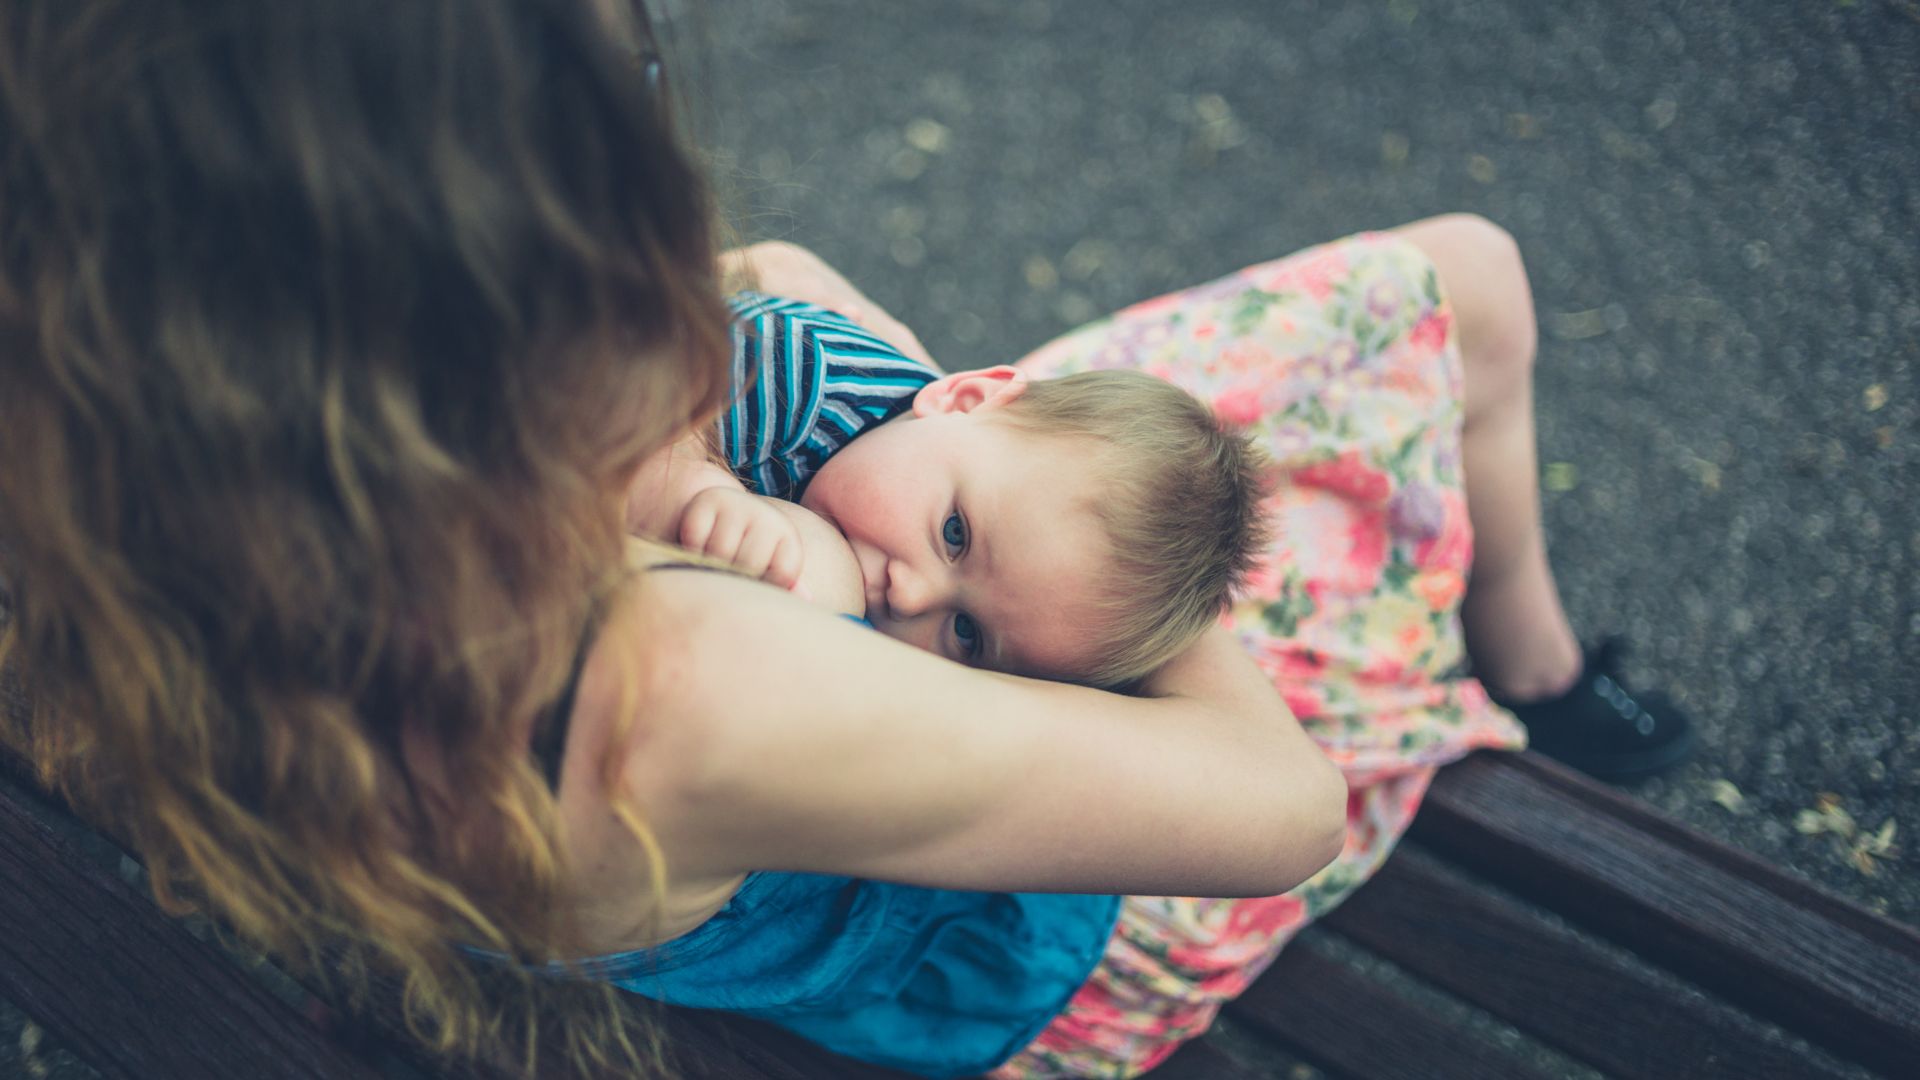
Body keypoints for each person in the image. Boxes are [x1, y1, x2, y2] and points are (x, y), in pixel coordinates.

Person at [0, 4, 1692, 1080]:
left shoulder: (157, 527)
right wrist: (1112, 587)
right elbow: (1277, 811)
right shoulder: (692, 676)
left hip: (942, 626)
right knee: (1456, 280)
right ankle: (1528, 678)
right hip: (1057, 933)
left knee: (1445, 283)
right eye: (629, 106)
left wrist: (945, 464)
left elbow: (784, 285)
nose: (675, 178)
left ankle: (1526, 652)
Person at [625, 287, 1273, 688]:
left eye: (967, 634)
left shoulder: (958, 472)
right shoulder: (792, 370)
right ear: (963, 397)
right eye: (955, 534)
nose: (909, 597)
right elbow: (593, 391)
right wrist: (692, 489)